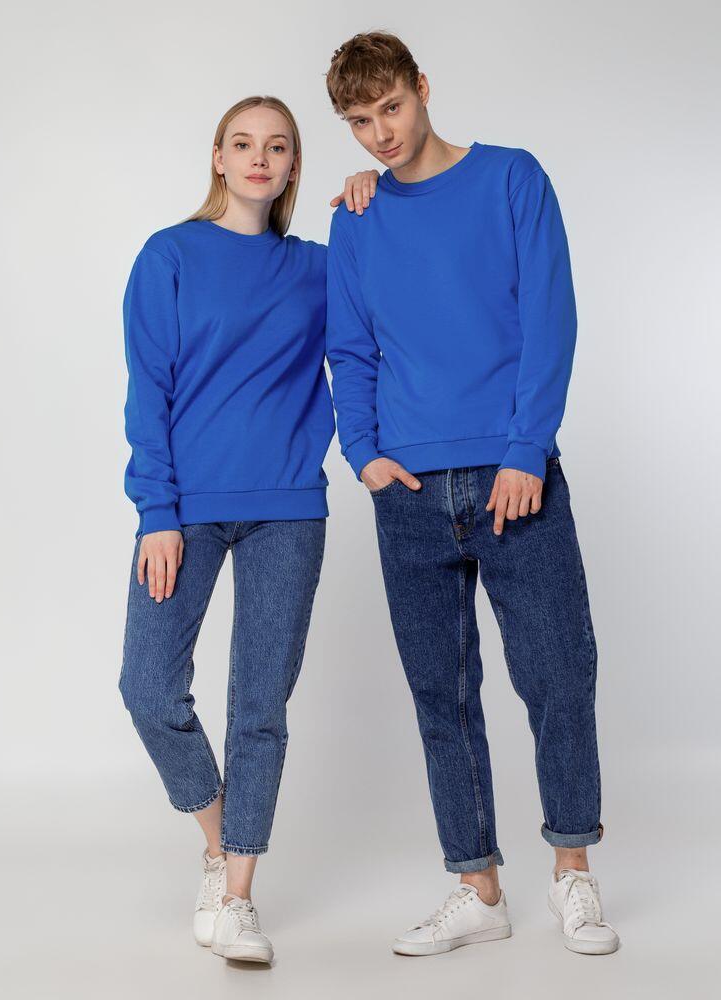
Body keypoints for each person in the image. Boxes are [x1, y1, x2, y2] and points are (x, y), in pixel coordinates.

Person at [324, 32, 619, 956]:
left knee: (558, 673)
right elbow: (350, 347)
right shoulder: (357, 217)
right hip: (408, 490)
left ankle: (573, 871)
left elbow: (550, 317)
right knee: (440, 695)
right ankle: (477, 887)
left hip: (511, 476)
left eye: (391, 109)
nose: (379, 134)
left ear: (422, 88)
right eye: (359, 121)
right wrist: (363, 453)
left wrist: (527, 450)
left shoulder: (511, 179)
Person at [119, 95, 375, 964]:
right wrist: (157, 512)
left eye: (278, 146)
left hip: (288, 510)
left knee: (259, 708)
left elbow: (374, 328)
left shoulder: (319, 267)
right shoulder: (169, 255)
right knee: (148, 687)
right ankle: (217, 840)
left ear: (294, 165)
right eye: (243, 143)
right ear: (219, 158)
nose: (260, 157)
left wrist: (376, 193)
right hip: (184, 509)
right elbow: (147, 390)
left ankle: (237, 897)